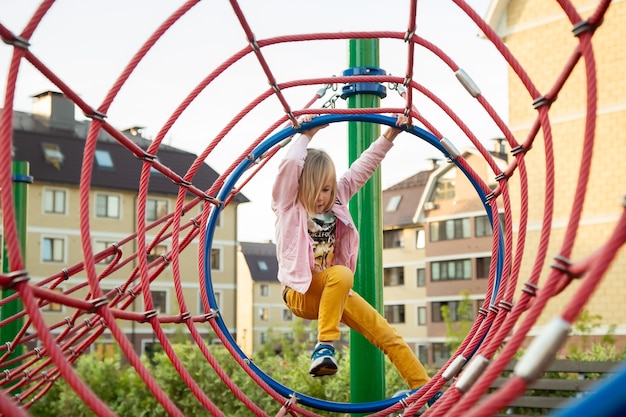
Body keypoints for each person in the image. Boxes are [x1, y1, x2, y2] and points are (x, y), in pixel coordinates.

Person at [271, 114, 432, 391]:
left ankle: (427, 394)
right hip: (300, 292)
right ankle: (324, 347)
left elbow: (363, 168)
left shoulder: (337, 200)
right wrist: (306, 136)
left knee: (388, 336)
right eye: (316, 189)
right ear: (301, 186)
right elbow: (288, 165)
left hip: (334, 290)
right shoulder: (289, 204)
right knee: (341, 275)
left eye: (327, 189)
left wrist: (389, 136)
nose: (322, 196)